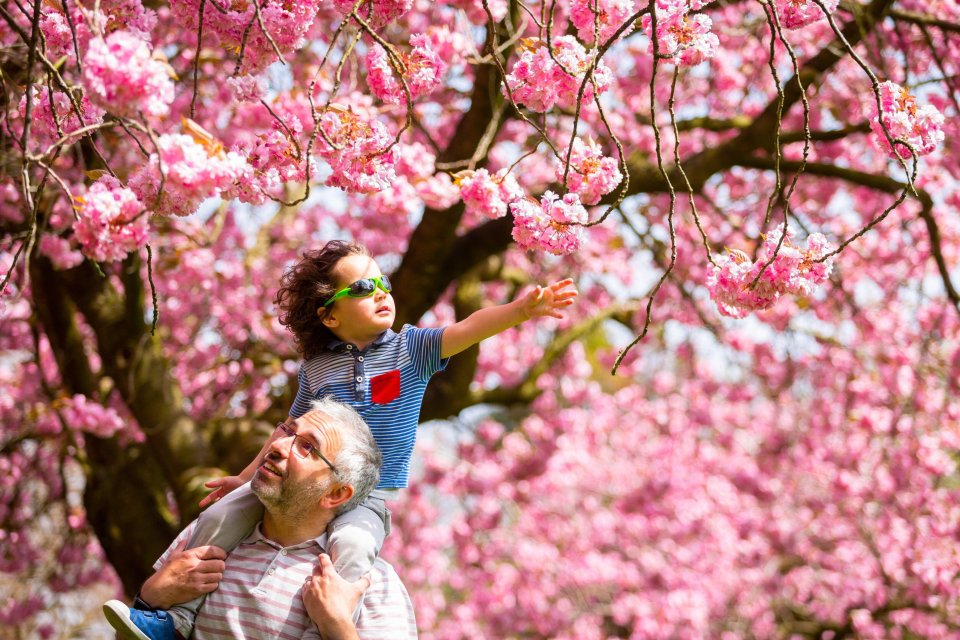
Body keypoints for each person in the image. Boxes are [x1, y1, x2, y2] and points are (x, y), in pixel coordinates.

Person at [107, 240, 577, 639]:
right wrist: (245, 479)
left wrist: (522, 309)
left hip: (369, 494)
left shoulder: (409, 351)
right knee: (219, 515)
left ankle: (324, 624)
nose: (381, 293)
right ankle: (171, 619)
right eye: (363, 287)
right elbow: (290, 430)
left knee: (352, 546)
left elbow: (468, 329)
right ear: (329, 316)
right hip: (302, 480)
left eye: (383, 282)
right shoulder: (317, 368)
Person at [104, 399, 418, 640]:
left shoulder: (371, 584)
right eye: (288, 432)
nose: (279, 446)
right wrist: (150, 599)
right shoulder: (208, 538)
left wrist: (337, 626)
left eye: (307, 447)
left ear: (335, 494)